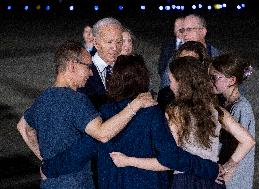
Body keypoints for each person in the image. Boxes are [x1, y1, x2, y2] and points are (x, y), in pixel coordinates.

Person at [40, 55, 221, 189]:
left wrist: (49, 169)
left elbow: (79, 152)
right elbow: (171, 156)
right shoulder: (152, 114)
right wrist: (210, 169)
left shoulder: (104, 114)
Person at [16, 41, 155, 189]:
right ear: (72, 66)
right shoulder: (77, 100)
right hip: (76, 183)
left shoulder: (42, 99)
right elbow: (102, 133)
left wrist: (45, 160)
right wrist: (135, 105)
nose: (91, 73)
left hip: (50, 183)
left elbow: (23, 126)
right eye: (88, 67)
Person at [110, 57, 255, 189]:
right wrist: (227, 167)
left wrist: (128, 160)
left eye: (171, 80)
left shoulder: (176, 112)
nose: (170, 85)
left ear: (181, 83)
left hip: (187, 181)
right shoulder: (217, 110)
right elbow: (248, 141)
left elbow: (170, 160)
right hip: (213, 181)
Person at [209, 54, 255, 189]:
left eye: (214, 77)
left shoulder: (241, 108)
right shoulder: (224, 102)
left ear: (231, 80)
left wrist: (225, 173)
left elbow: (241, 147)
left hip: (234, 182)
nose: (210, 81)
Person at [78, 17, 124, 108]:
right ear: (96, 43)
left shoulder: (129, 67)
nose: (115, 47)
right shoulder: (81, 68)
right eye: (109, 42)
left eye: (119, 42)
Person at [158, 41, 208, 111]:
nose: (184, 66)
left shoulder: (211, 96)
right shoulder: (165, 95)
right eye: (180, 61)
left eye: (190, 62)